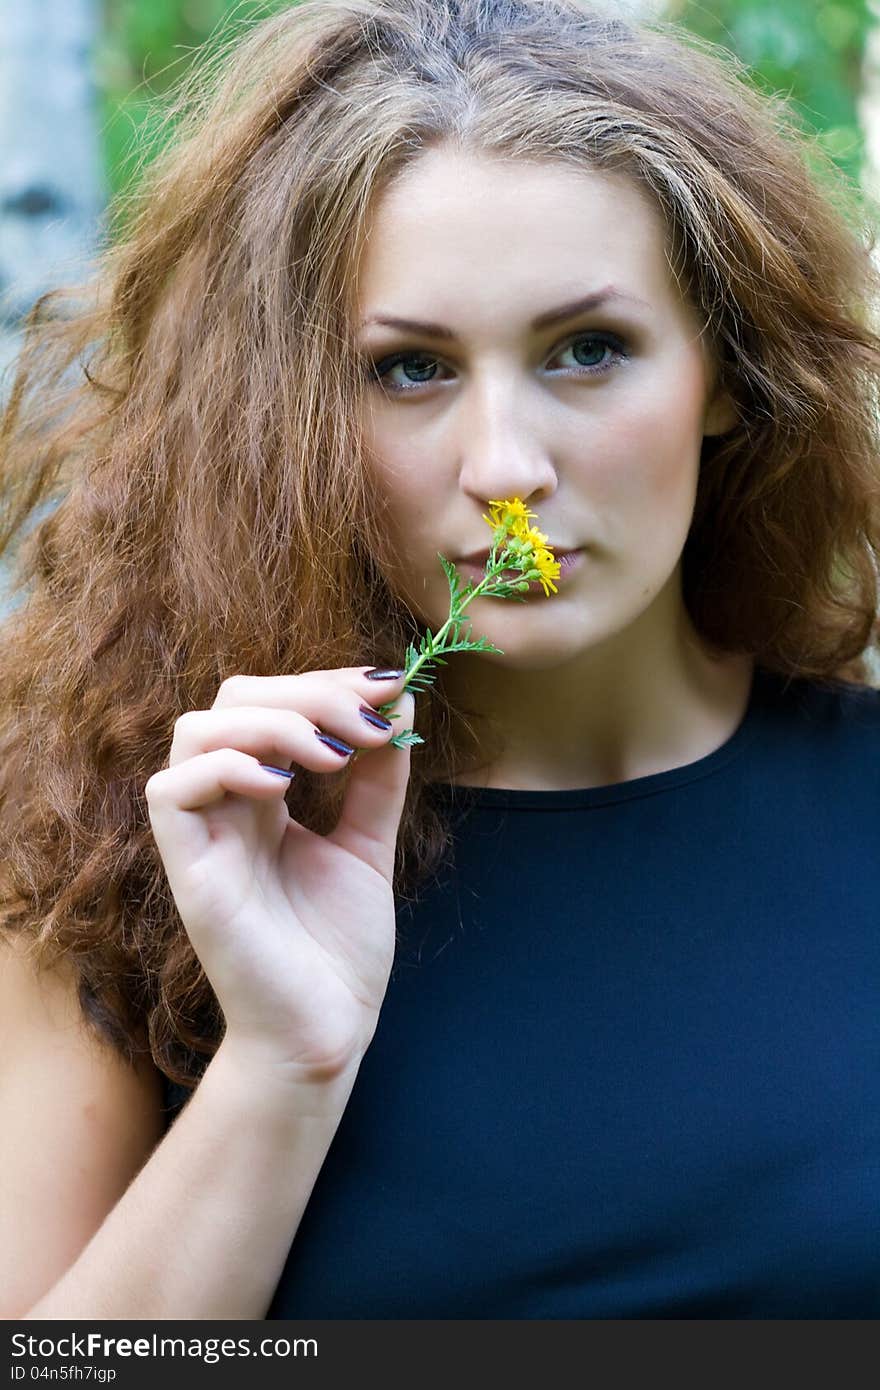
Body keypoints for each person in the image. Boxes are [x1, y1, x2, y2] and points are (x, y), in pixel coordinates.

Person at [0, 0, 878, 1322]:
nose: (506, 467)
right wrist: (280, 1069)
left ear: (729, 372)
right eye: (410, 369)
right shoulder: (130, 844)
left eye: (589, 349)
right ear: (297, 418)